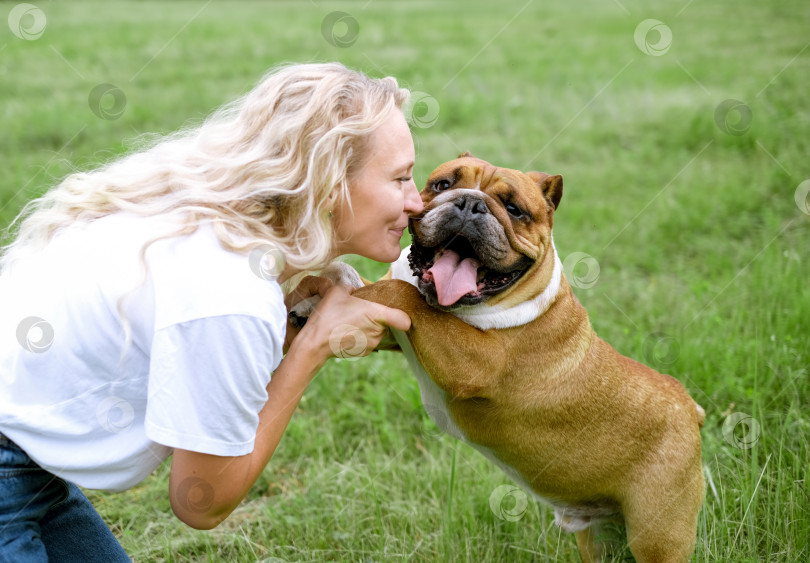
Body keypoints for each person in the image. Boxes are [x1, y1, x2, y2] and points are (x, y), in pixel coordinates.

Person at [0, 62, 423, 560]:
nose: (416, 202)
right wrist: (312, 349)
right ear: (329, 185)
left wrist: (283, 332)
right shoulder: (233, 293)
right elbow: (200, 502)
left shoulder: (206, 215)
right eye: (400, 178)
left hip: (29, 472)